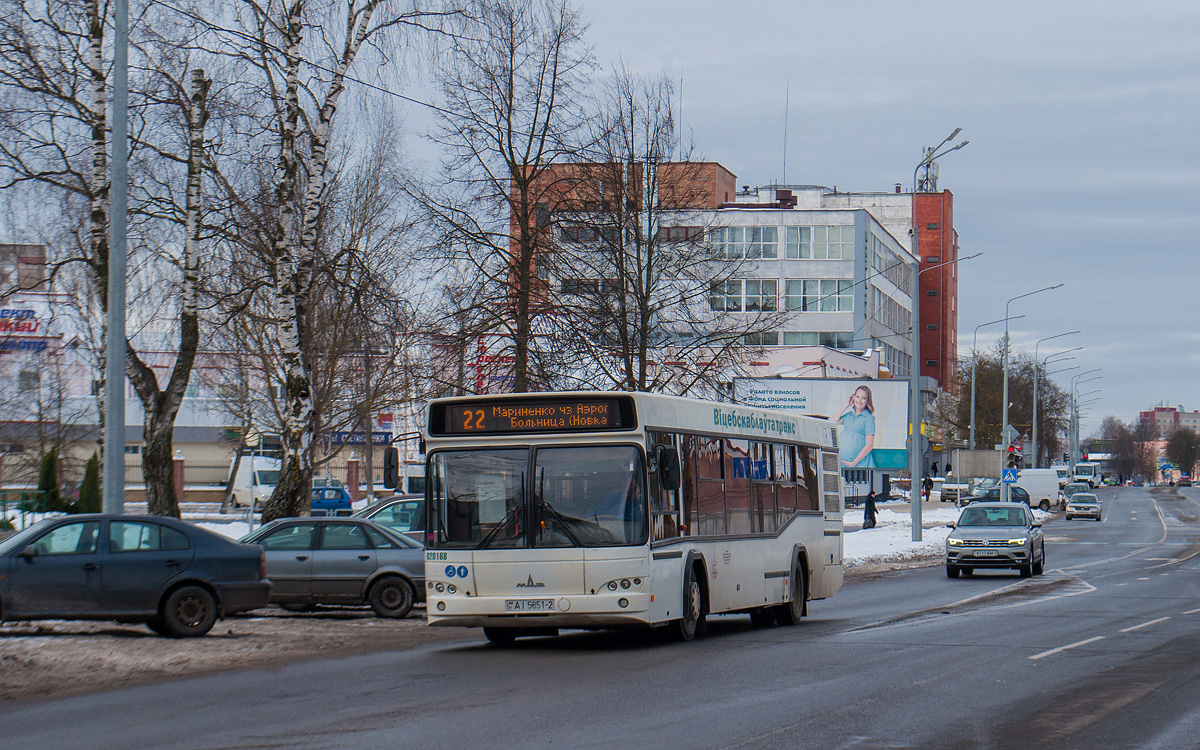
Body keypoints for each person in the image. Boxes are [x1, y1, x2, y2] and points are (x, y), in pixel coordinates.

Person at [834, 385, 876, 468]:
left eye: (863, 398)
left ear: (868, 400)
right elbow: (831, 422)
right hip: (842, 463)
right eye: (857, 397)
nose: (859, 400)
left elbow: (869, 445)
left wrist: (853, 463)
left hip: (858, 465)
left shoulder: (868, 418)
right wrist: (846, 405)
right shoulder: (849, 416)